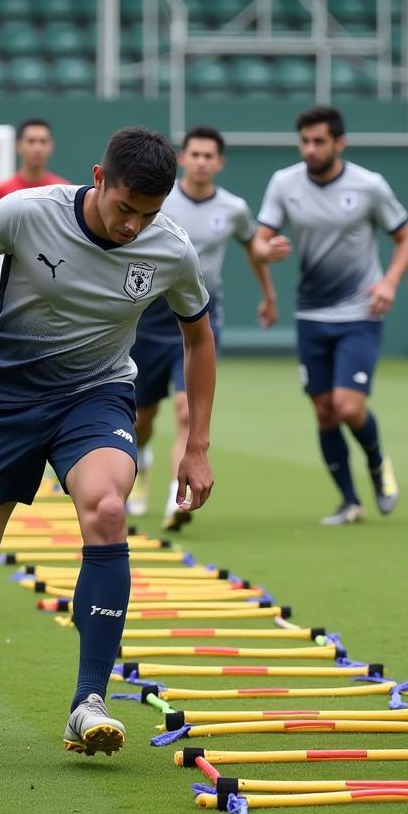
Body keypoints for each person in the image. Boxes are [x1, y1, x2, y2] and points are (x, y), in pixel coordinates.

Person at [0, 127, 215, 756]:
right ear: (97, 178)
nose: (133, 227)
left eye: (149, 215)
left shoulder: (169, 249)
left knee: (110, 509)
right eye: (124, 209)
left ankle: (88, 700)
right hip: (5, 399)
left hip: (95, 398)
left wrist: (196, 444)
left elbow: (199, 338)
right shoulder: (28, 212)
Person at [252, 105, 408, 525]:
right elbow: (259, 240)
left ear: (339, 143)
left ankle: (378, 462)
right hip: (310, 312)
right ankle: (349, 502)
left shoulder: (369, 186)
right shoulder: (283, 183)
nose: (310, 149)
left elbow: (405, 238)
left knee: (347, 406)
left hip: (360, 311)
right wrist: (264, 249)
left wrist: (389, 283)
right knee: (324, 410)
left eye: (319, 141)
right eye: (305, 141)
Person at [128, 125, 276, 530]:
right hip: (149, 317)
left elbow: (253, 247)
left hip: (198, 318)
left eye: (209, 156)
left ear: (220, 162)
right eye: (194, 154)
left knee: (183, 410)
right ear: (183, 158)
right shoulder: (160, 200)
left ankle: (176, 501)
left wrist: (268, 293)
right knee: (141, 418)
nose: (201, 161)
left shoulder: (232, 207)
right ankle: (141, 466)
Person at [0, 118, 69, 313]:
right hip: (12, 289)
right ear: (19, 146)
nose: (37, 148)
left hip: (55, 290)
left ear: (51, 146)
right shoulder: (1, 191)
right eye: (31, 141)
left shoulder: (64, 190)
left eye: (43, 142)